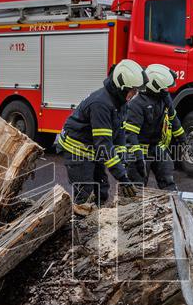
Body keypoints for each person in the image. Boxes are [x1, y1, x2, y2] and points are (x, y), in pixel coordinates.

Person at [58, 58, 144, 207]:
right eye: (133, 90)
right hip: (77, 150)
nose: (134, 94)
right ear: (121, 87)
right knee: (85, 194)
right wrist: (122, 177)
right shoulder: (101, 104)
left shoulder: (121, 102)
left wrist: (122, 161)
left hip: (93, 150)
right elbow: (104, 144)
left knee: (102, 190)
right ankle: (78, 225)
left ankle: (96, 222)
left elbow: (119, 135)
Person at [122, 63, 185, 191]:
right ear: (155, 86)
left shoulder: (164, 98)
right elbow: (130, 135)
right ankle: (132, 209)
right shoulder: (137, 104)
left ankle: (173, 207)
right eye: (165, 88)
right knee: (137, 188)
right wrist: (138, 157)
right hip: (139, 149)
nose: (167, 90)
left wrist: (182, 138)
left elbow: (173, 118)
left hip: (157, 147)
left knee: (168, 181)